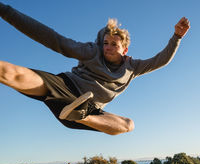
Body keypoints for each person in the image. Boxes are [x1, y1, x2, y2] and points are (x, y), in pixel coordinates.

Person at [0, 3, 190, 135]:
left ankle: (79, 115)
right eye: (105, 42)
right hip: (64, 86)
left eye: (114, 44)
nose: (107, 47)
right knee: (10, 73)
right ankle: (76, 112)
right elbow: (54, 39)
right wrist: (5, 11)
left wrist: (176, 37)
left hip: (89, 110)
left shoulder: (133, 67)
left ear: (125, 49)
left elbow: (161, 60)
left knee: (128, 125)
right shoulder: (92, 51)